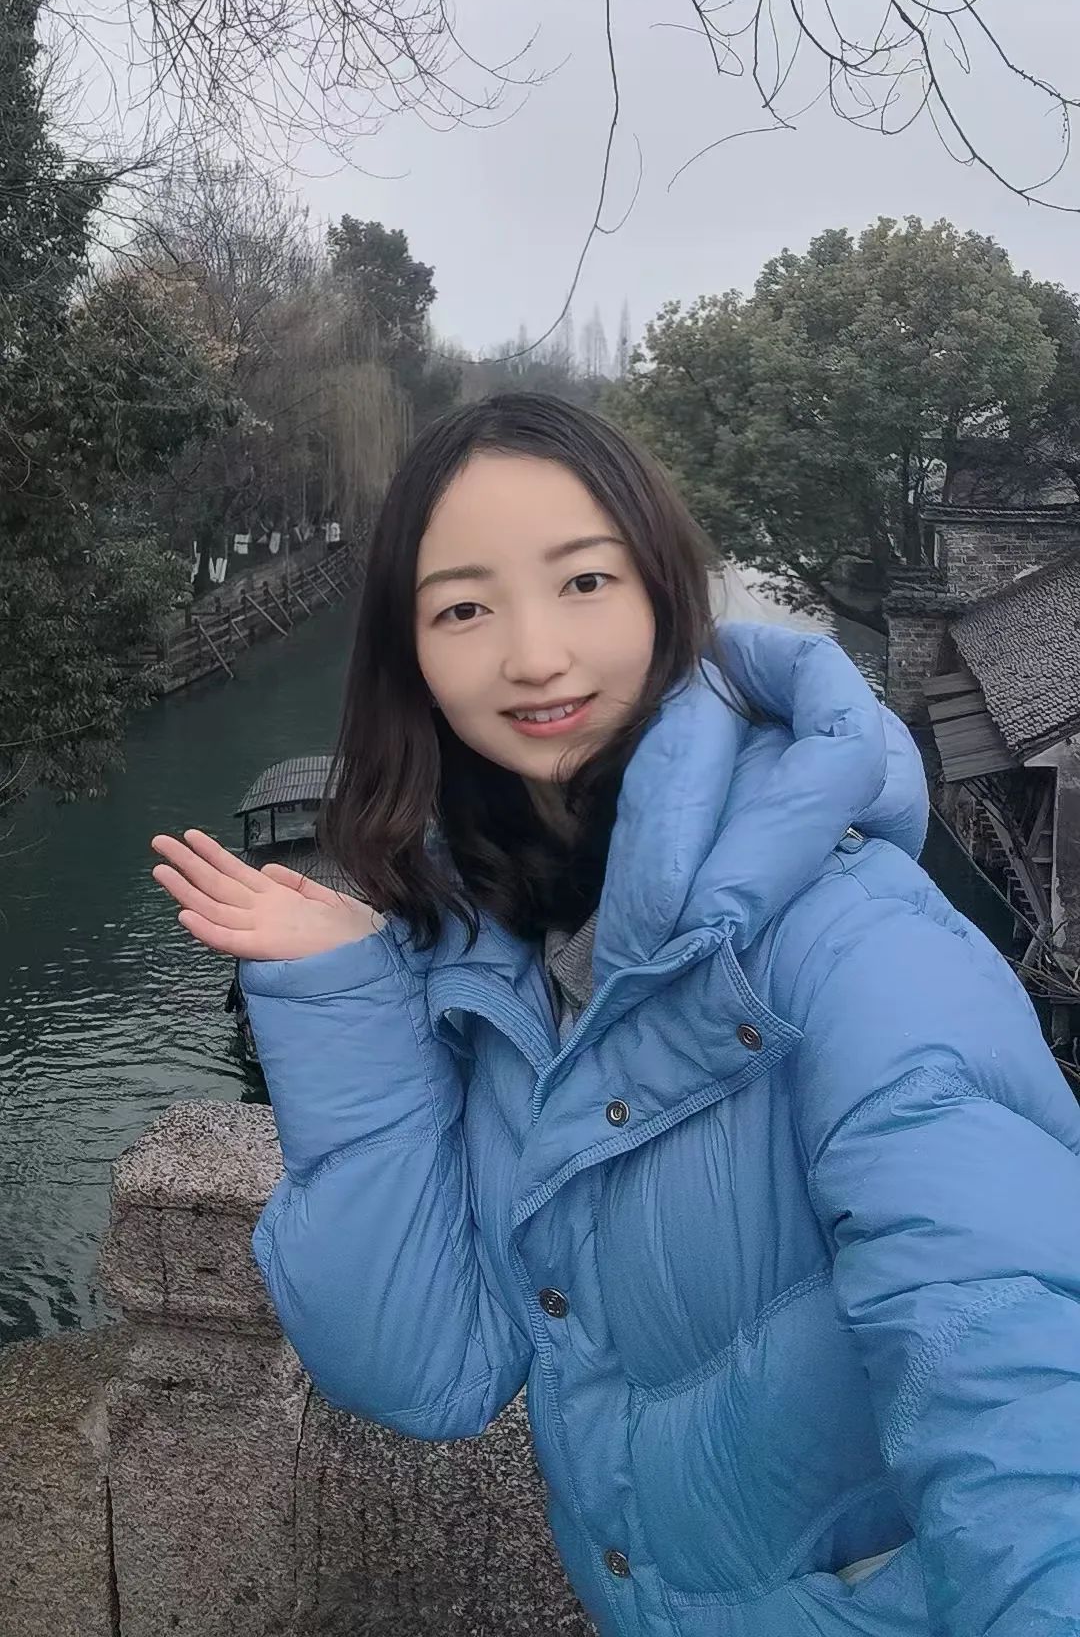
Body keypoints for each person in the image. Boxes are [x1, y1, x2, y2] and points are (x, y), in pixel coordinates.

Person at [151, 394, 1080, 1637]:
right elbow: (423, 1368)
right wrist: (347, 1006)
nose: (534, 655)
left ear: (664, 593)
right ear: (407, 655)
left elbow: (1015, 1370)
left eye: (584, 582)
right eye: (464, 608)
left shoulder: (856, 945)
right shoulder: (502, 944)